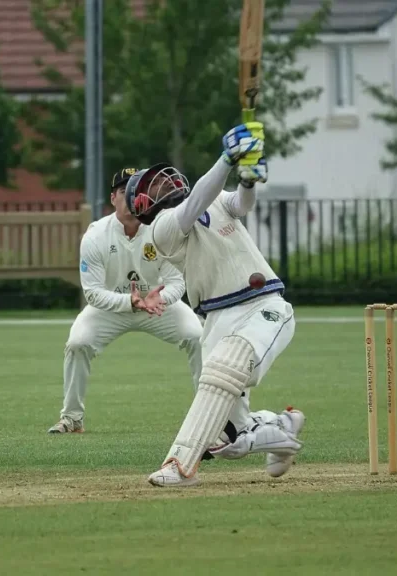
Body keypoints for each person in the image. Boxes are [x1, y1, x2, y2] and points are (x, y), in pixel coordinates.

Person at [122, 121, 305, 486]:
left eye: (162, 179)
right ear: (142, 205)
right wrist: (227, 158)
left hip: (263, 305)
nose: (163, 183)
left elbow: (241, 203)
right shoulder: (161, 230)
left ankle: (181, 466)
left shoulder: (216, 200)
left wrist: (249, 179)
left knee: (226, 368)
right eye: (152, 185)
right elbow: (195, 205)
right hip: (216, 319)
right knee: (229, 439)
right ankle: (282, 428)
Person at [48, 169, 204, 434]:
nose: (131, 197)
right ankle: (72, 418)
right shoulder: (96, 235)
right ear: (113, 198)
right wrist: (129, 302)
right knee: (78, 343)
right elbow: (93, 293)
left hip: (158, 306)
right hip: (112, 307)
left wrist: (158, 298)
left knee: (198, 337)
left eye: (138, 190)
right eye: (124, 191)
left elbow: (177, 283)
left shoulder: (161, 229)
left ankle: (209, 418)